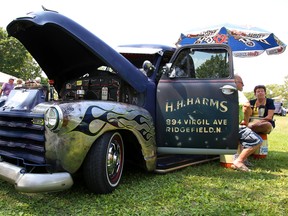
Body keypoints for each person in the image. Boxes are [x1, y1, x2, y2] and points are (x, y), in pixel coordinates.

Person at [232, 74, 263, 172]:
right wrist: (246, 121)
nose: (243, 85)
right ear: (235, 83)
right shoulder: (237, 92)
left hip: (228, 126)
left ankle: (240, 159)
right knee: (257, 140)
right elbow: (246, 106)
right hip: (235, 126)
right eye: (242, 83)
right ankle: (239, 161)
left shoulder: (225, 94)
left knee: (241, 141)